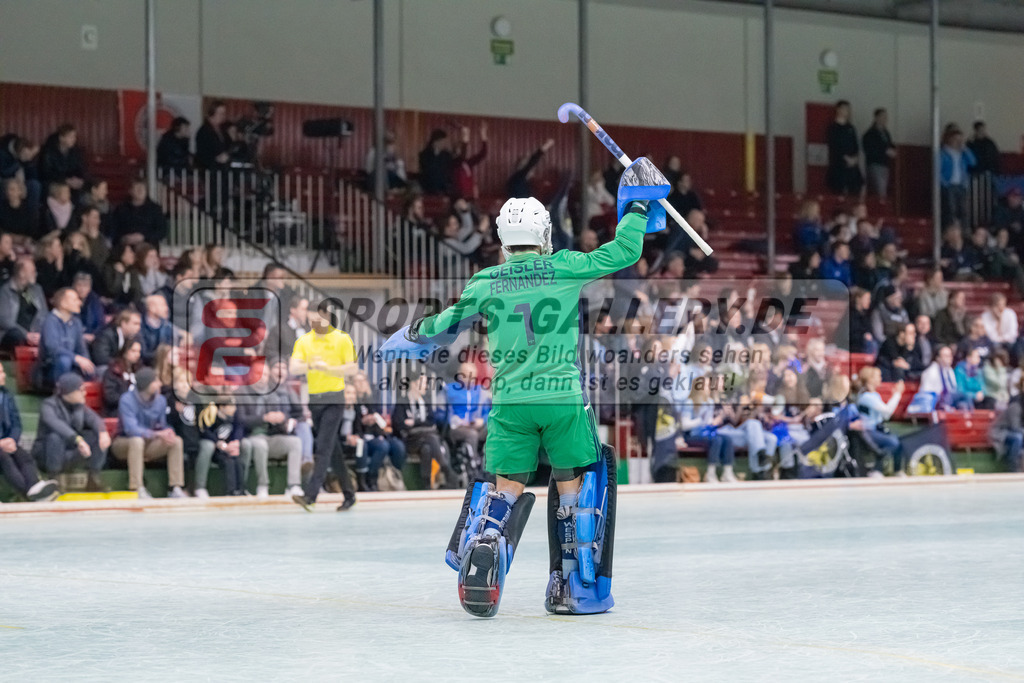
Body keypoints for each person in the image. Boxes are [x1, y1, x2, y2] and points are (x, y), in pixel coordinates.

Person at [379, 158, 667, 618]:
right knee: (575, 488)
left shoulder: (486, 281)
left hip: (511, 402)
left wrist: (411, 334)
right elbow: (624, 252)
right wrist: (636, 207)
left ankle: (488, 541)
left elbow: (444, 327)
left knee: (506, 487)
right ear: (544, 234)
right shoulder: (564, 265)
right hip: (562, 398)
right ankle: (571, 584)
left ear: (503, 239)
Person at [289, 300, 359, 511]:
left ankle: (310, 496)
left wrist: (328, 368)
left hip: (334, 399)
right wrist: (310, 364)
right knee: (332, 449)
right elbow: (293, 367)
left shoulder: (341, 339)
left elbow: (353, 369)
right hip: (315, 400)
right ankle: (349, 494)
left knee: (323, 447)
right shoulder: (304, 341)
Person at [111, 367, 187, 499]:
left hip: (149, 443)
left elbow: (162, 425)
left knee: (176, 441)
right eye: (156, 381)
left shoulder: (161, 400)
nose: (160, 384)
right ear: (147, 384)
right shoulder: (126, 400)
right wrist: (156, 434)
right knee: (137, 441)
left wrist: (168, 432)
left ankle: (175, 488)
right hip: (123, 443)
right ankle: (137, 488)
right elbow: (131, 430)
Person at [32, 373, 110, 491]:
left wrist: (102, 432)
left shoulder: (79, 406)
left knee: (97, 437)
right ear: (70, 392)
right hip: (47, 454)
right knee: (55, 437)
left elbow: (94, 419)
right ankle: (54, 479)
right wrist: (77, 439)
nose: (85, 393)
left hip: (71, 451)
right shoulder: (48, 405)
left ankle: (93, 478)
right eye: (81, 390)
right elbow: (55, 423)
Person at [0, 364, 59, 501]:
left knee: (23, 456)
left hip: (6, 442)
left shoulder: (6, 395)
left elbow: (16, 423)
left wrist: (12, 440)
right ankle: (29, 494)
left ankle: (35, 487)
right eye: (1, 372)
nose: (4, 375)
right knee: (4, 458)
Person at [391, 370, 457, 489]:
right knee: (431, 438)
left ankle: (426, 484)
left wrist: (414, 422)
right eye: (423, 383)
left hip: (425, 438)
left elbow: (431, 420)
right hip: (410, 440)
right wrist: (418, 424)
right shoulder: (402, 402)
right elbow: (399, 424)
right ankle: (446, 470)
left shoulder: (425, 401)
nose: (426, 386)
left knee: (427, 448)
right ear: (413, 384)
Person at [38, 287, 94, 388]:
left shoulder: (76, 322)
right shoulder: (50, 321)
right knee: (64, 361)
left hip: (72, 365)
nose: (79, 303)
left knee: (92, 369)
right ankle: (61, 392)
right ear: (63, 303)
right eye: (75, 300)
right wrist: (75, 358)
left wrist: (86, 361)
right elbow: (52, 348)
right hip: (50, 368)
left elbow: (81, 348)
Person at [854, 367, 904, 476]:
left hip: (877, 430)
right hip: (867, 432)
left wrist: (896, 395)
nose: (881, 379)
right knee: (893, 443)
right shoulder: (866, 397)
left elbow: (886, 415)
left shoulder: (875, 395)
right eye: (878, 376)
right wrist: (897, 394)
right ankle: (876, 470)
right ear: (870, 379)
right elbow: (887, 411)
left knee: (898, 442)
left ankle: (897, 471)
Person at [195, 398, 244, 497]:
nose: (234, 409)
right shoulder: (212, 416)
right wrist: (219, 443)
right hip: (216, 451)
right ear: (222, 407)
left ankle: (241, 490)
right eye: (231, 406)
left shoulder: (234, 417)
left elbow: (239, 428)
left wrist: (234, 443)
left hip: (228, 448)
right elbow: (206, 431)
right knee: (228, 462)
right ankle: (230, 492)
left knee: (238, 461)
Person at [0, 257, 46, 350]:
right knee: (15, 335)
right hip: (14, 333)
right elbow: (4, 320)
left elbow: (44, 314)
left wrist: (38, 333)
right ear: (22, 273)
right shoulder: (6, 291)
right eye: (32, 271)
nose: (36, 274)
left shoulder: (37, 289)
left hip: (35, 332)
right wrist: (26, 334)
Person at [940, 125, 977, 228]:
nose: (958, 141)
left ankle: (964, 232)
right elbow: (938, 171)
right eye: (955, 139)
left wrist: (965, 149)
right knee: (951, 210)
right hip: (949, 185)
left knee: (964, 210)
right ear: (950, 139)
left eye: (959, 139)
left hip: (961, 185)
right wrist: (944, 183)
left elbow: (973, 162)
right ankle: (950, 230)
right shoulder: (943, 153)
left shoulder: (962, 153)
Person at [111, 180, 168, 246]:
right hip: (126, 247)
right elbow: (113, 230)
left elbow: (162, 231)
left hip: (148, 247)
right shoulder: (121, 209)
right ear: (130, 191)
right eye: (137, 188)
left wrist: (144, 237)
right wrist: (123, 238)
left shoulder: (155, 209)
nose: (140, 190)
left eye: (143, 188)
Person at [826, 100, 863, 196]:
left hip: (852, 167)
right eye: (845, 109)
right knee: (839, 192)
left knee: (854, 192)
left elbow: (855, 146)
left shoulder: (851, 128)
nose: (847, 111)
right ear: (838, 110)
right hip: (838, 166)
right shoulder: (832, 128)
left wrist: (855, 158)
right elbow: (834, 146)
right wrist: (846, 158)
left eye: (848, 109)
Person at [988, 376, 1024, 473]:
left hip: (1015, 432)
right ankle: (1012, 467)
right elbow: (1015, 427)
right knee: (1018, 437)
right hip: (1000, 433)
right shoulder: (1016, 404)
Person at [39, 124, 86, 193]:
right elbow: (46, 173)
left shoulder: (75, 151)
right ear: (61, 138)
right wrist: (65, 180)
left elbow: (80, 168)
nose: (74, 139)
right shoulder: (48, 151)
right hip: (53, 183)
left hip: (70, 182)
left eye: (74, 136)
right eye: (70, 137)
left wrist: (79, 179)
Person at [862, 108, 896, 199]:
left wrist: (893, 150)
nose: (885, 119)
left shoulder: (886, 133)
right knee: (879, 191)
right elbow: (870, 150)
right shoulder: (870, 134)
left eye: (886, 117)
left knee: (883, 190)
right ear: (876, 118)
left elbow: (890, 145)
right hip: (875, 165)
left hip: (885, 165)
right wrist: (885, 151)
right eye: (882, 117)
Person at [101, 338, 141, 416]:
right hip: (116, 410)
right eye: (133, 351)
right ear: (125, 352)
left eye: (139, 351)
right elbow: (110, 396)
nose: (137, 355)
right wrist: (130, 399)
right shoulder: (113, 371)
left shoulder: (139, 370)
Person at [418, 128, 453, 196]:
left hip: (443, 190)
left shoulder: (447, 155)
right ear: (436, 141)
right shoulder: (425, 155)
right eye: (443, 141)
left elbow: (448, 172)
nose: (444, 144)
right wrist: (436, 155)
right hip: (428, 190)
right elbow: (427, 171)